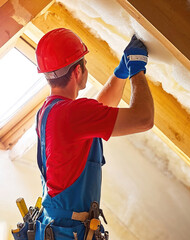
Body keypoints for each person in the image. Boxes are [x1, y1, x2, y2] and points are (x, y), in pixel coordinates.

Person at [34, 28, 154, 240]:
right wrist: (137, 70)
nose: (86, 68)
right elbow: (143, 119)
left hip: (55, 226)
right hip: (67, 233)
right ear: (77, 72)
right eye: (85, 63)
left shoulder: (49, 111)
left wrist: (121, 73)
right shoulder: (72, 114)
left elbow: (98, 112)